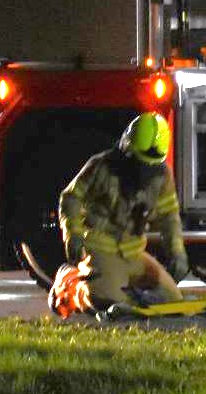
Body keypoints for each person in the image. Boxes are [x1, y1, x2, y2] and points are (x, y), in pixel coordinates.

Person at [48, 112, 190, 319]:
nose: (145, 169)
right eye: (140, 161)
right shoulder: (101, 167)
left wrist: (177, 253)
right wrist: (73, 235)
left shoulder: (161, 176)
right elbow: (70, 198)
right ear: (126, 148)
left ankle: (127, 294)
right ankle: (70, 287)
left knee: (172, 302)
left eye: (151, 163)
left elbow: (169, 217)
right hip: (100, 250)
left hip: (133, 254)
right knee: (106, 302)